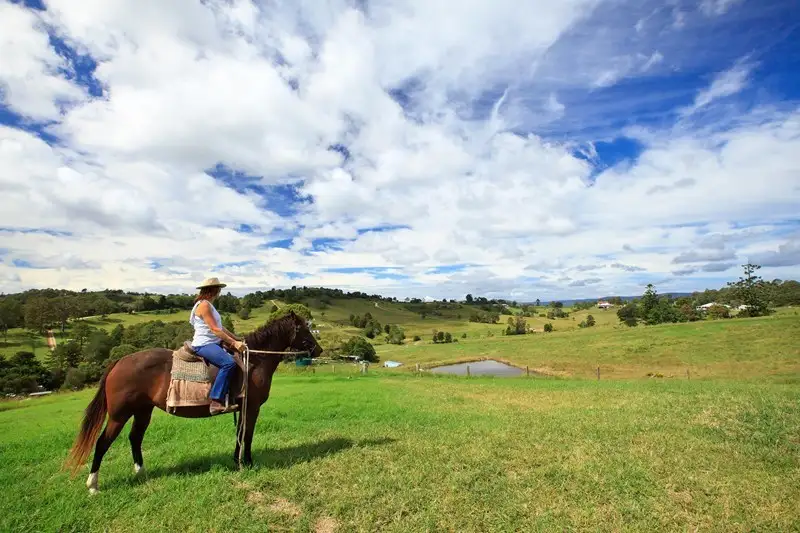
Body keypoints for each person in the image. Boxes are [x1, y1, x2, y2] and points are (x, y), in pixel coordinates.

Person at [190, 277, 244, 415]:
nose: (220, 292)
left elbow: (221, 328)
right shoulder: (204, 305)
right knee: (229, 363)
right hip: (204, 344)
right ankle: (215, 402)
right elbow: (215, 329)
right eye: (219, 289)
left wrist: (237, 338)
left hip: (212, 342)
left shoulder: (207, 304)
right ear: (214, 290)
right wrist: (233, 343)